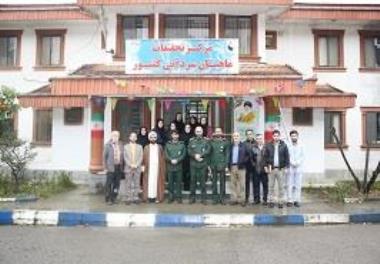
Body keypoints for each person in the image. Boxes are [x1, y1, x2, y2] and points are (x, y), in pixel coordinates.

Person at [264, 129, 290, 209]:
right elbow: (265, 157)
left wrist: (286, 167)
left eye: (277, 136)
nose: (276, 137)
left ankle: (280, 202)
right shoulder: (268, 145)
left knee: (281, 187)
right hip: (271, 169)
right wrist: (265, 166)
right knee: (270, 186)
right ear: (272, 136)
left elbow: (287, 157)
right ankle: (271, 201)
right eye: (274, 136)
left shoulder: (284, 145)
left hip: (280, 169)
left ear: (279, 136)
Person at [188, 126, 211, 204]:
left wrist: (200, 155)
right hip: (193, 164)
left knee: (203, 182)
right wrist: (195, 156)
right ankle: (192, 198)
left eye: (200, 131)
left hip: (203, 164)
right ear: (195, 132)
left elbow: (208, 150)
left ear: (202, 132)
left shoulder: (206, 141)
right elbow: (189, 151)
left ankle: (203, 199)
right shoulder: (191, 141)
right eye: (197, 131)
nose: (198, 133)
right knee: (192, 181)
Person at [142, 131, 166, 203]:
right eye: (151, 137)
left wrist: (162, 168)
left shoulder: (160, 147)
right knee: (149, 183)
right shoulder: (146, 147)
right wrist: (143, 167)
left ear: (156, 138)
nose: (153, 138)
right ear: (149, 138)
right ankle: (148, 197)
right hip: (148, 168)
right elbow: (143, 158)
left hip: (157, 168)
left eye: (154, 137)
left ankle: (157, 197)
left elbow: (162, 158)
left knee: (156, 182)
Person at [164, 130, 186, 203]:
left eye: (176, 135)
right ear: (172, 136)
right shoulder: (168, 144)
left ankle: (179, 197)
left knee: (179, 183)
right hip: (170, 166)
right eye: (173, 135)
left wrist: (177, 160)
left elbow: (183, 154)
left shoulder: (182, 144)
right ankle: (171, 197)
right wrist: (171, 160)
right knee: (170, 183)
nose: (175, 136)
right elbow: (166, 154)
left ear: (178, 136)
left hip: (178, 166)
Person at [209, 128, 230, 205]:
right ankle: (215, 198)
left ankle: (222, 198)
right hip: (213, 164)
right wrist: (209, 165)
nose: (218, 133)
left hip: (222, 165)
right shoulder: (211, 142)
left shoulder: (226, 142)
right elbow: (209, 154)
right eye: (216, 131)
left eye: (219, 131)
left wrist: (225, 165)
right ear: (215, 133)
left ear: (221, 133)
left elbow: (227, 154)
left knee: (222, 182)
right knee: (214, 182)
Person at [103, 131, 124, 205]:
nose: (115, 137)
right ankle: (108, 198)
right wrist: (105, 168)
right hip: (110, 167)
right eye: (114, 136)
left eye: (117, 136)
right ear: (111, 136)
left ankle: (114, 197)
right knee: (109, 184)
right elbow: (104, 157)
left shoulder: (121, 145)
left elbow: (123, 156)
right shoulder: (107, 145)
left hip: (118, 167)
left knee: (117, 184)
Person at [229, 132, 250, 207]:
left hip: (241, 167)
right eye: (234, 136)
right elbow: (229, 155)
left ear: (240, 137)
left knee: (242, 184)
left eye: (237, 136)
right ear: (232, 137)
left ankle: (242, 200)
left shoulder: (244, 145)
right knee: (233, 184)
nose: (236, 137)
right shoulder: (230, 146)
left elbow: (248, 156)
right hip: (232, 167)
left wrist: (243, 162)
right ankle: (234, 199)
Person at [123, 132, 143, 205]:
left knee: (137, 183)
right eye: (132, 136)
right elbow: (125, 157)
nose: (133, 138)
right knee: (128, 183)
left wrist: (136, 164)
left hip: (137, 168)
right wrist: (130, 164)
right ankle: (128, 198)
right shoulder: (126, 147)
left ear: (136, 138)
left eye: (135, 137)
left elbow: (141, 157)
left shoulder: (140, 147)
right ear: (129, 138)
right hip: (129, 167)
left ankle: (135, 197)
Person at [286, 130, 304, 208]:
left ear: (297, 136)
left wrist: (298, 162)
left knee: (298, 184)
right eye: (292, 136)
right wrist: (292, 162)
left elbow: (303, 156)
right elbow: (287, 155)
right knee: (289, 184)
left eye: (295, 136)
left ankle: (297, 200)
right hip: (290, 166)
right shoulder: (288, 145)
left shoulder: (302, 145)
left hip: (298, 167)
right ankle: (289, 200)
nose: (294, 137)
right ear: (290, 137)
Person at [252, 134, 268, 205]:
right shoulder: (253, 148)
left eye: (260, 138)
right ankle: (256, 199)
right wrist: (254, 165)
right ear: (256, 140)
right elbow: (251, 158)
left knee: (265, 185)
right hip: (256, 169)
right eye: (258, 139)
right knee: (256, 185)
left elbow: (269, 158)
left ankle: (265, 200)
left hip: (264, 170)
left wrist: (267, 166)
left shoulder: (266, 147)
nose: (259, 140)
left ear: (263, 139)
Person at [244, 129, 257, 204]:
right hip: (247, 165)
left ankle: (256, 198)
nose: (249, 135)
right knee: (247, 183)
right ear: (246, 135)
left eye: (250, 134)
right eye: (248, 134)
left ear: (253, 134)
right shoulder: (243, 143)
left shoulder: (256, 143)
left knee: (255, 182)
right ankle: (246, 198)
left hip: (255, 165)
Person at [180, 123, 193, 191]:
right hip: (184, 156)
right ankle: (185, 187)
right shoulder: (181, 136)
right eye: (186, 128)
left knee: (190, 172)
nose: (187, 129)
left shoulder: (192, 136)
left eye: (189, 128)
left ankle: (190, 187)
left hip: (191, 156)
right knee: (184, 171)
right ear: (184, 128)